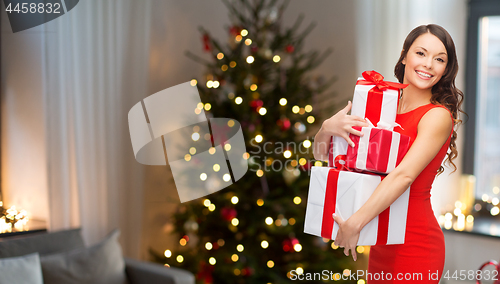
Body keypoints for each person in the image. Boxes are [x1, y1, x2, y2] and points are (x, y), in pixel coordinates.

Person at [313, 24, 464, 283]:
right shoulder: (383, 105)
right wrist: (327, 129)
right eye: (421, 53)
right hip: (382, 239)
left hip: (415, 243)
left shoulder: (437, 116)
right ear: (404, 55)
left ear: (445, 69)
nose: (428, 64)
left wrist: (356, 222)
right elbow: (322, 157)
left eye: (439, 59)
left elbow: (403, 176)